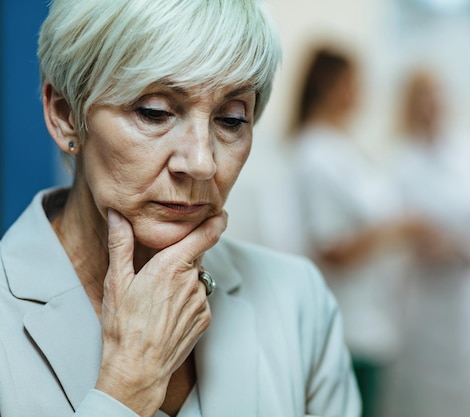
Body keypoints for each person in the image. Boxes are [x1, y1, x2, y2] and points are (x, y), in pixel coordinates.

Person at [0, 1, 361, 416]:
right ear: (65, 115)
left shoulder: (300, 302)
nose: (202, 162)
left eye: (230, 119)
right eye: (154, 112)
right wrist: (126, 387)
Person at [290, 48, 430, 417]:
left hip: (373, 319)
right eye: (355, 83)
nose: (361, 92)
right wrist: (395, 230)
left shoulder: (344, 147)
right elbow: (331, 247)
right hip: (347, 327)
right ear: (331, 86)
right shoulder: (315, 153)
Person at [387, 70, 470, 417]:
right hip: (424, 306)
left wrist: (467, 247)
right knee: (424, 397)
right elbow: (400, 234)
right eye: (421, 97)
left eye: (435, 95)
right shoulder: (399, 166)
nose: (430, 105)